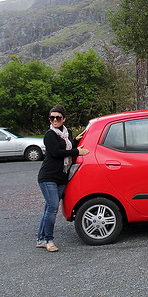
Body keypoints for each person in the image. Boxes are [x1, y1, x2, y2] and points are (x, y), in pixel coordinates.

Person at [36, 105, 89, 252]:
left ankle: (40, 238)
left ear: (63, 119)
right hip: (48, 177)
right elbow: (56, 152)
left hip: (61, 176)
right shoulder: (50, 135)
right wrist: (77, 151)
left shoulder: (67, 133)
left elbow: (68, 145)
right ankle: (48, 240)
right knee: (52, 207)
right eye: (52, 117)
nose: (54, 120)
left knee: (49, 207)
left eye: (58, 117)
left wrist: (75, 141)